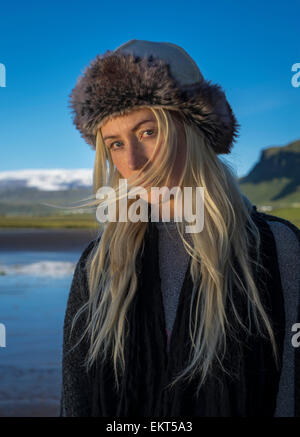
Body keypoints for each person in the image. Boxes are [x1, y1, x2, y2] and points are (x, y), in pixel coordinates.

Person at [59, 39, 300, 417]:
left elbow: (291, 396)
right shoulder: (98, 265)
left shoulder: (277, 247)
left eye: (147, 132)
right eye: (116, 144)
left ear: (193, 128)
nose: (134, 161)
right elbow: (76, 404)